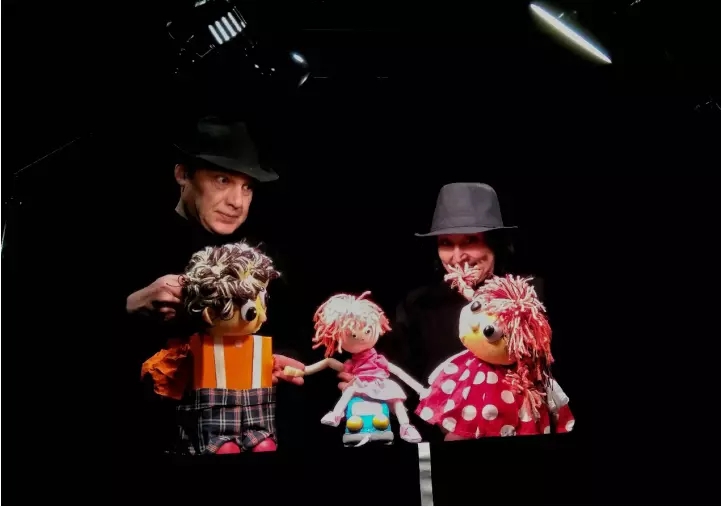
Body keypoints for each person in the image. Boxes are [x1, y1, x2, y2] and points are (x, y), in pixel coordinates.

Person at [120, 115, 305, 454]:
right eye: (223, 180)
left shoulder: (261, 256)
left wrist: (281, 360)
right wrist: (132, 304)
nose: (238, 201)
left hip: (243, 432)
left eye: (247, 187)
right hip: (148, 439)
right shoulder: (133, 239)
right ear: (182, 175)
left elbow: (292, 333)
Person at [337, 182, 541, 443]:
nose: (457, 257)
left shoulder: (530, 297)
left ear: (495, 244)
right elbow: (399, 376)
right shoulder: (418, 305)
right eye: (446, 243)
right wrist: (369, 386)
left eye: (470, 240)